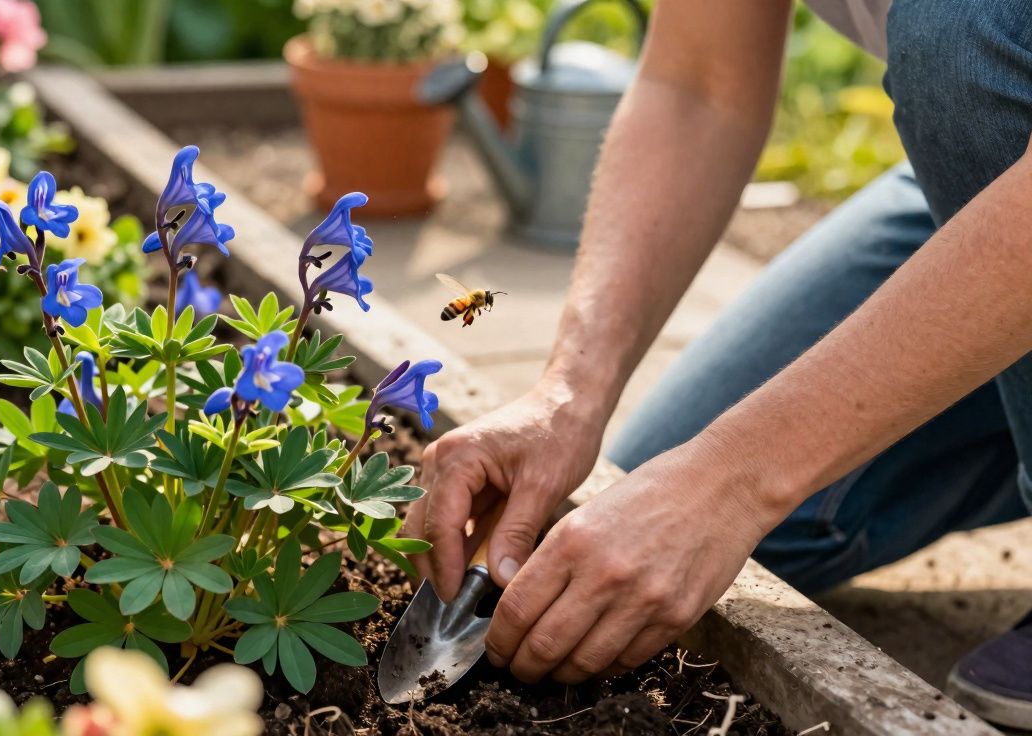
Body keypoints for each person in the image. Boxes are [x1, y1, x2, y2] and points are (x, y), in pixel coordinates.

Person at [405, 0, 1032, 728]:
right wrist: (569, 392)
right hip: (987, 169)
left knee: (962, 32)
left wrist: (733, 476)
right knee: (649, 537)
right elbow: (697, 83)